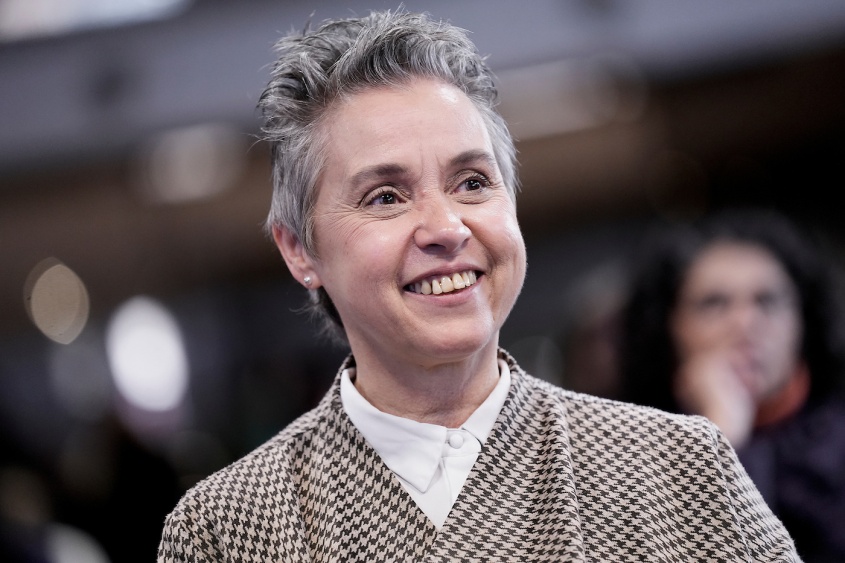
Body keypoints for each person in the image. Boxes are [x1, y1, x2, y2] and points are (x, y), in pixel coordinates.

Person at [158, 11, 800, 561]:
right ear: (299, 249)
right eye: (386, 197)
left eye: (472, 183)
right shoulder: (227, 529)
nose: (445, 228)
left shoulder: (678, 470)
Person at [620, 208, 845, 562]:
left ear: (803, 319)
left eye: (767, 301)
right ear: (669, 327)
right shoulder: (628, 457)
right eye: (714, 304)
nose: (745, 323)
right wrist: (719, 434)